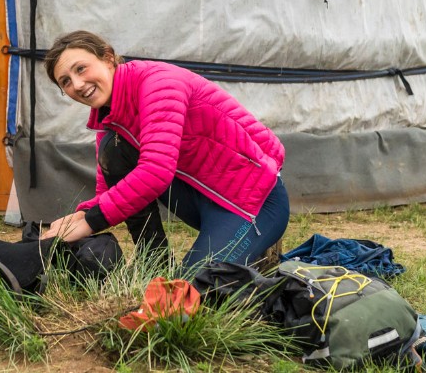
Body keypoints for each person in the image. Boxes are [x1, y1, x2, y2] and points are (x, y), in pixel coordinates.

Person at [40, 30, 289, 272]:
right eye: (66, 82)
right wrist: (78, 218)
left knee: (187, 293)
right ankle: (154, 260)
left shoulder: (159, 83)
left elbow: (156, 169)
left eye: (81, 69)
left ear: (107, 58)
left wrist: (91, 221)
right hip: (201, 198)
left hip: (253, 201)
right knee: (115, 149)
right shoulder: (111, 119)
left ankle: (254, 249)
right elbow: (109, 191)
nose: (78, 84)